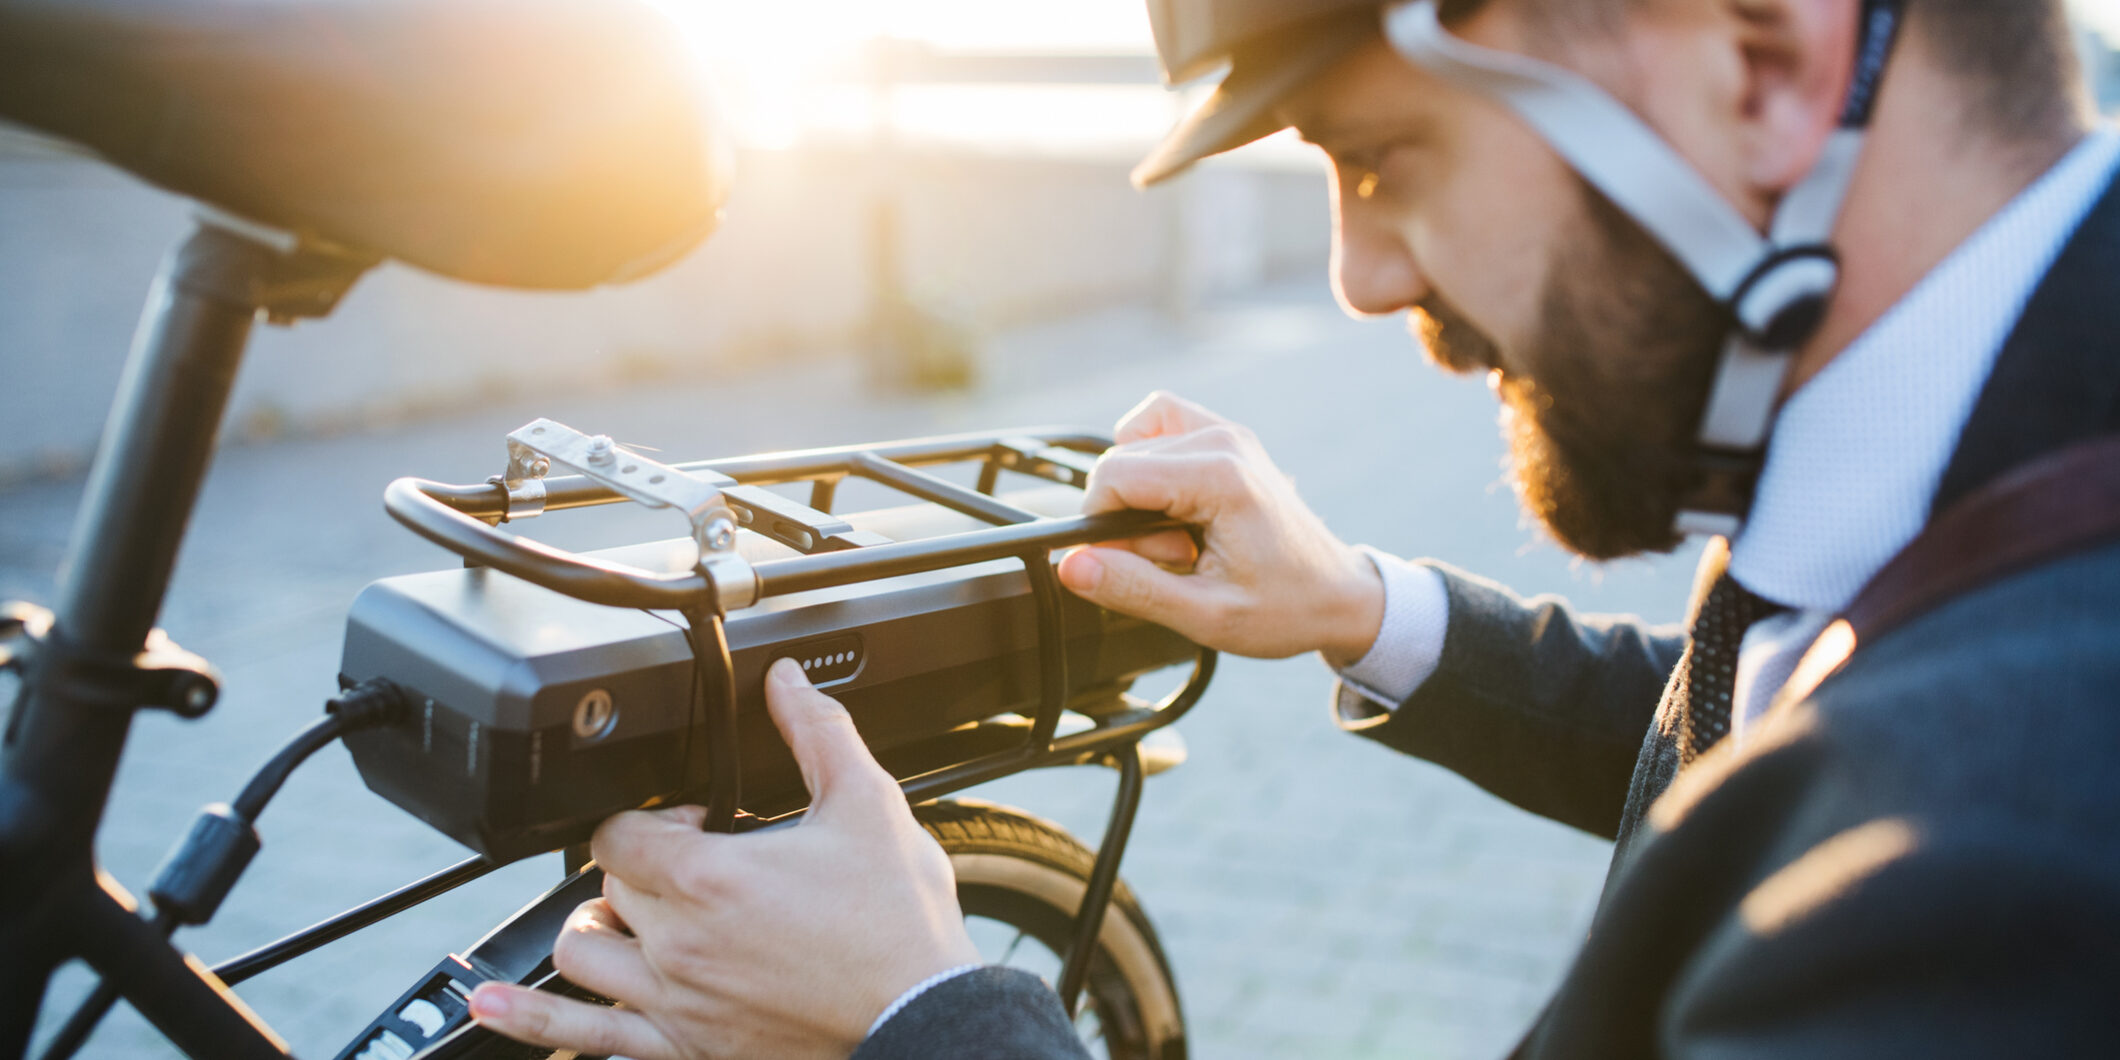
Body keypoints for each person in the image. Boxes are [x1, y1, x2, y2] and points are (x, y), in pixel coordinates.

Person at [469, 0, 2120, 1055]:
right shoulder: (1982, 451)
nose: (1364, 275)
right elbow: (1764, 754)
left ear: (1757, 60)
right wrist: (1359, 608)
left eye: (1384, 154)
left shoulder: (2015, 846)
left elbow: (1904, 783)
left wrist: (923, 1017)